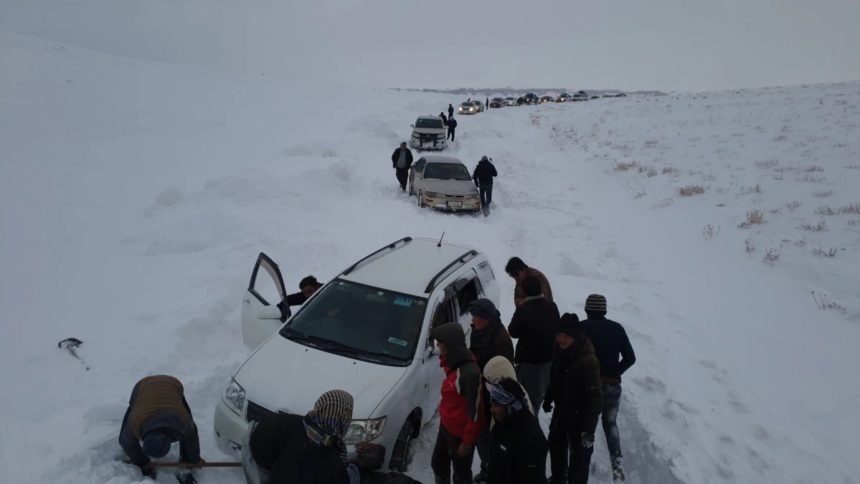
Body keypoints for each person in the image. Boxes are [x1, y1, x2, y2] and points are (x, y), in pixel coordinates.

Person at [242, 389, 359, 484]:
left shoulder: (304, 424)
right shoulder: (328, 461)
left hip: (256, 445)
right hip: (258, 457)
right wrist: (356, 469)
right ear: (343, 419)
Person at [579, 294, 636, 482]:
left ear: (587, 310)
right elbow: (631, 358)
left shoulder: (582, 328)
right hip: (612, 386)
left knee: (588, 424)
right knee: (610, 423)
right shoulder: (617, 328)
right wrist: (614, 373)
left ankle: (583, 463)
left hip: (590, 387)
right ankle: (617, 465)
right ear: (604, 310)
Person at [543, 314, 603, 484]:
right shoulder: (559, 350)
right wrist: (548, 398)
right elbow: (555, 377)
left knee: (579, 462)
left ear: (574, 337)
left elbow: (596, 399)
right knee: (556, 447)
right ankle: (558, 479)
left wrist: (588, 430)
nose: (560, 339)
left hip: (580, 419)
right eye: (558, 335)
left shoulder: (588, 361)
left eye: (565, 336)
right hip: (562, 412)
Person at [119, 375, 201, 484]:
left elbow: (191, 440)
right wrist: (142, 462)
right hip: (142, 387)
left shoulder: (183, 423)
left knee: (186, 428)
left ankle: (185, 468)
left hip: (172, 385)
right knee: (133, 411)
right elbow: (126, 443)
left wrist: (194, 460)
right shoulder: (135, 423)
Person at [430, 322, 485, 484]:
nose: (437, 346)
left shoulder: (469, 374)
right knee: (438, 464)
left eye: (440, 342)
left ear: (449, 344)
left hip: (460, 435)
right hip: (446, 426)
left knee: (461, 476)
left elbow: (476, 412)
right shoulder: (454, 361)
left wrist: (467, 443)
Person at [467, 298, 514, 482]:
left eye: (476, 317)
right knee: (481, 434)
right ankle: (488, 468)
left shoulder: (500, 340)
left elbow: (503, 374)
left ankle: (492, 470)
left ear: (486, 318)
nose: (472, 320)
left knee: (488, 436)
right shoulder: (481, 330)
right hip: (481, 390)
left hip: (492, 396)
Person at [508, 275, 560, 413]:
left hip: (528, 361)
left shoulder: (524, 309)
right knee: (537, 396)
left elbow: (513, 331)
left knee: (526, 400)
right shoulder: (552, 306)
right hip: (548, 358)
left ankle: (529, 428)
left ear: (524, 292)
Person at [486, 378, 548, 484]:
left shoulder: (531, 438)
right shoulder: (501, 425)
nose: (492, 409)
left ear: (509, 406)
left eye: (496, 404)